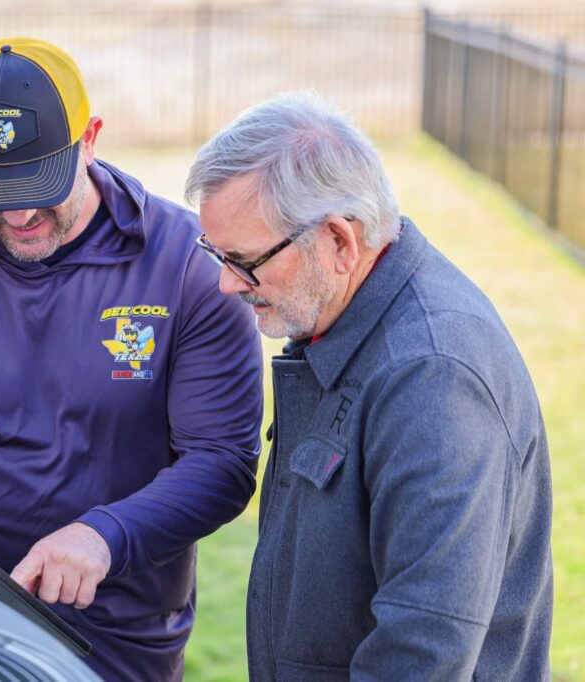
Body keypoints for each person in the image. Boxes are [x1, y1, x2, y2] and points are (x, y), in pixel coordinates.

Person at [0, 37, 265, 681]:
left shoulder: (186, 269)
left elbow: (222, 462)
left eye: (39, 183)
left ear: (90, 139)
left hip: (112, 622)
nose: (20, 212)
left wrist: (104, 536)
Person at [186, 90, 553, 680]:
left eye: (244, 260)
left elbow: (423, 650)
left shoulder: (434, 377)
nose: (228, 285)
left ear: (339, 240)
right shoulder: (341, 320)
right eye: (216, 254)